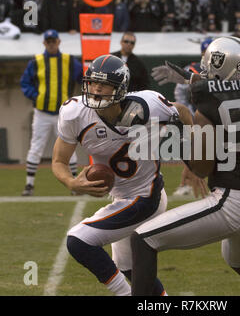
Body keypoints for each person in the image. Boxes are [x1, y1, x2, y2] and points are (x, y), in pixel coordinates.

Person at [131, 36, 240, 296]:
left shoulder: (207, 103)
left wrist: (182, 132)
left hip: (236, 201)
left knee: (143, 240)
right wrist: (192, 80)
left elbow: (201, 169)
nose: (204, 74)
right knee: (238, 260)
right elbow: (231, 88)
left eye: (209, 69)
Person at [51, 54, 205, 295]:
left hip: (146, 196)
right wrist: (71, 181)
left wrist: (195, 162)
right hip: (122, 197)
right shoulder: (75, 113)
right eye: (92, 82)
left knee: (78, 241)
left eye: (104, 84)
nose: (96, 89)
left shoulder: (148, 105)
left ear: (120, 88)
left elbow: (183, 112)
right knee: (130, 269)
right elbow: (59, 160)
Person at [20, 29, 82, 196]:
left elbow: (83, 79)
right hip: (42, 113)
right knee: (36, 147)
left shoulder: (69, 61)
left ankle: (75, 184)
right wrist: (37, 96)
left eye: (54, 41)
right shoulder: (36, 61)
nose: (51, 44)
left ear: (59, 42)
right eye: (49, 41)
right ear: (44, 43)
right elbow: (25, 83)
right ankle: (29, 185)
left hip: (63, 113)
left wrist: (78, 100)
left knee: (70, 146)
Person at [171, 37, 213, 197]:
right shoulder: (193, 68)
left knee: (202, 152)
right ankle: (185, 185)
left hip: (212, 114)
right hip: (197, 114)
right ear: (202, 52)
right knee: (197, 151)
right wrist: (186, 112)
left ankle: (187, 184)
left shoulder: (221, 68)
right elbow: (180, 91)